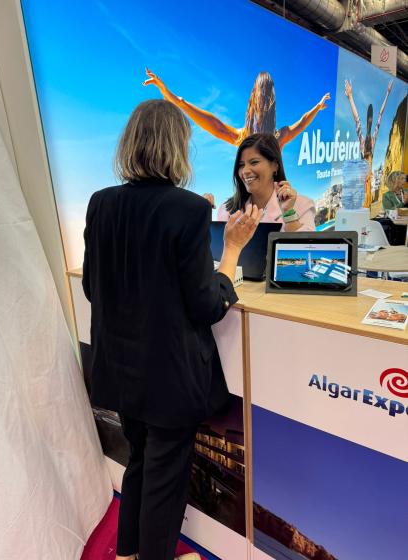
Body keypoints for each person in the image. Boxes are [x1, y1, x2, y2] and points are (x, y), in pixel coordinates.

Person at [82, 99, 263, 560]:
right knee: (165, 476)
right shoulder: (186, 209)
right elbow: (207, 304)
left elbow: (91, 287)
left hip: (119, 374)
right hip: (169, 381)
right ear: (178, 148)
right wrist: (233, 252)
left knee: (140, 463)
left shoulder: (101, 204)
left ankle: (126, 554)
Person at [143, 68, 330, 148]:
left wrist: (174, 99)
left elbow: (303, 122)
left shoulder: (257, 137)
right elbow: (302, 122)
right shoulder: (269, 137)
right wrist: (174, 99)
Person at [217, 133, 315, 231]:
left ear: (275, 165)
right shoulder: (226, 210)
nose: (245, 171)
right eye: (241, 165)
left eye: (254, 162)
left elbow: (307, 246)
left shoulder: (303, 205)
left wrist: (288, 213)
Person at [344, 79, 393, 208]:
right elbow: (357, 120)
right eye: (369, 120)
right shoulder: (363, 141)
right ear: (367, 123)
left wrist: (388, 93)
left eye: (370, 120)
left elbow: (380, 115)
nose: (370, 122)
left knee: (366, 206)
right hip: (362, 179)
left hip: (368, 179)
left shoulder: (373, 139)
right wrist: (350, 97)